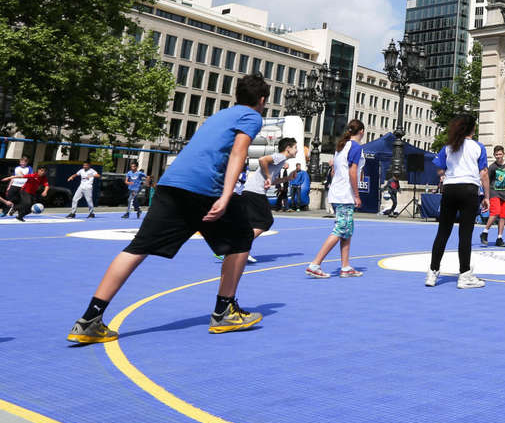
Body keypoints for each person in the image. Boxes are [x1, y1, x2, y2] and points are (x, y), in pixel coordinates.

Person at [65, 74, 271, 344]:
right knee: (242, 239)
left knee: (137, 248)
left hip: (171, 183)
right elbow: (238, 153)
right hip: (203, 187)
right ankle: (224, 312)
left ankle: (89, 319)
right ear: (262, 100)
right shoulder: (252, 116)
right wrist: (226, 194)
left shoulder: (220, 115)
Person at [425, 117, 489, 289]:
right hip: (469, 189)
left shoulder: (449, 147)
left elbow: (439, 167)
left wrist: (444, 175)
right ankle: (464, 274)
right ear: (471, 130)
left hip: (450, 189)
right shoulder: (478, 147)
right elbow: (483, 173)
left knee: (443, 232)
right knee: (465, 234)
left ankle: (432, 272)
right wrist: (487, 196)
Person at [306, 121, 366, 279]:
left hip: (337, 191)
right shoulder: (356, 147)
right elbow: (353, 172)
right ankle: (315, 263)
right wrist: (357, 195)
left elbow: (333, 171)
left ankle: (345, 266)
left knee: (347, 230)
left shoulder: (341, 147)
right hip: (345, 194)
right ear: (362, 131)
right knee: (341, 229)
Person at [244, 138, 296, 244]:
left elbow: (271, 181)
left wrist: (287, 178)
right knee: (266, 221)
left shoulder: (281, 161)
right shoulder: (280, 157)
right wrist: (268, 176)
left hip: (251, 191)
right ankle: (240, 246)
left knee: (252, 223)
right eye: (295, 147)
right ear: (288, 149)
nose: (297, 150)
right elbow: (262, 159)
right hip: (255, 191)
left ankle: (235, 250)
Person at [481, 145, 505, 248]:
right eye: (496, 154)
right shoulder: (492, 167)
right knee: (495, 212)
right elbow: (487, 181)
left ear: (503, 154)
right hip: (494, 193)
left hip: (504, 194)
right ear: (494, 155)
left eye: (500, 154)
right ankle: (485, 232)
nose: (498, 156)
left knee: (502, 216)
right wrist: (486, 196)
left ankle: (499, 238)